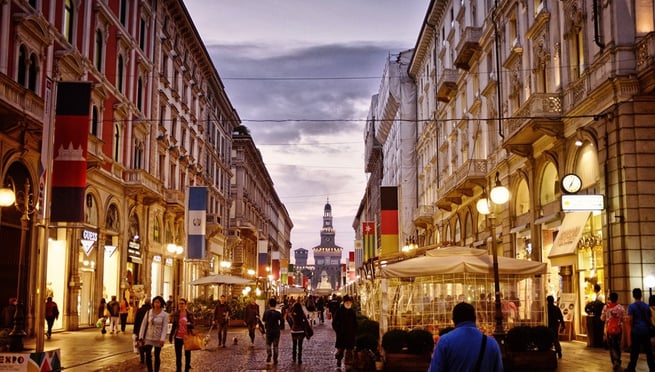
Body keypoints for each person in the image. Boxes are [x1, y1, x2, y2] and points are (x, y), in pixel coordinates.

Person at [428, 302, 503, 372]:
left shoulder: (445, 341)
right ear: (474, 319)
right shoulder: (491, 343)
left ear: (454, 320)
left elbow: (435, 369)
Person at [625, 288, 655, 372]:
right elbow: (649, 319)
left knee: (635, 351)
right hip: (646, 330)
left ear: (633, 295)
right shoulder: (646, 306)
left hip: (636, 331)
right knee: (648, 351)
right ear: (641, 295)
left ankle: (631, 368)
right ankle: (652, 368)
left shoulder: (631, 306)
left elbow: (630, 319)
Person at [139, 295, 169, 372]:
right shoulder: (149, 312)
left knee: (157, 355)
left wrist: (162, 338)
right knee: (148, 355)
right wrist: (141, 336)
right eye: (155, 302)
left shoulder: (164, 315)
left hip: (158, 337)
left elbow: (165, 327)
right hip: (148, 336)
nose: (156, 304)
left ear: (161, 303)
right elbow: (144, 324)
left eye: (158, 302)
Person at [600, 292, 625, 371]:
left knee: (611, 346)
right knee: (617, 345)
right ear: (617, 299)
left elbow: (602, 318)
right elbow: (623, 318)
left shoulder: (606, 307)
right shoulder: (620, 308)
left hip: (609, 329)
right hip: (618, 329)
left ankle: (615, 360)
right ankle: (618, 359)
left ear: (610, 299)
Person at [169, 298, 194, 372]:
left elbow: (193, 325)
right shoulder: (176, 314)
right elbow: (174, 325)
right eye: (179, 303)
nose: (181, 305)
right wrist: (171, 336)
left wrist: (189, 324)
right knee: (178, 355)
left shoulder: (189, 314)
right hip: (178, 337)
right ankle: (178, 369)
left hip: (187, 336)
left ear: (185, 305)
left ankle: (187, 368)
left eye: (182, 303)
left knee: (187, 354)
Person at [333, 295, 357, 368]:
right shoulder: (339, 311)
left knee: (349, 350)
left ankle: (348, 364)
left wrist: (354, 331)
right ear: (344, 302)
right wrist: (338, 330)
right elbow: (334, 322)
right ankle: (339, 360)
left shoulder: (352, 312)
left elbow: (355, 322)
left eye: (350, 302)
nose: (349, 303)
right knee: (340, 350)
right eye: (347, 302)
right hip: (341, 334)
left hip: (350, 334)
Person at [262, 298, 284, 364]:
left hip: (269, 330)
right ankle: (275, 359)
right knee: (276, 346)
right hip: (276, 331)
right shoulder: (278, 313)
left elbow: (263, 320)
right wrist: (279, 327)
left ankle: (269, 353)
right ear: (275, 305)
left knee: (268, 344)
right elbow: (282, 321)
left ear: (269, 304)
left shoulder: (266, 312)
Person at [133, 298, 152, 364]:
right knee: (148, 343)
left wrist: (135, 331)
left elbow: (136, 321)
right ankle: (148, 355)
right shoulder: (151, 310)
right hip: (149, 329)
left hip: (139, 329)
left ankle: (142, 357)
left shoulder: (140, 310)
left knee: (141, 343)